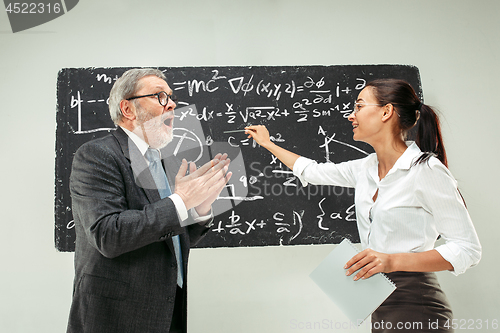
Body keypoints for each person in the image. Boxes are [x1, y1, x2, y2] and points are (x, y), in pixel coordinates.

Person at [245, 79, 481, 333]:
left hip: (416, 303)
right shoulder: (366, 168)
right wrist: (268, 144)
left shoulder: (426, 171)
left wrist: (391, 261)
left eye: (358, 106)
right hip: (380, 300)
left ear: (386, 112)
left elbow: (468, 249)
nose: (351, 115)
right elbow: (313, 171)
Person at [66, 68, 232, 333]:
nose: (173, 104)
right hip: (116, 317)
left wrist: (199, 210)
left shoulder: (162, 163)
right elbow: (108, 235)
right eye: (160, 96)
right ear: (128, 109)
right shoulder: (97, 155)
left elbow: (165, 238)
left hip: (166, 310)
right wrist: (181, 201)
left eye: (171, 97)